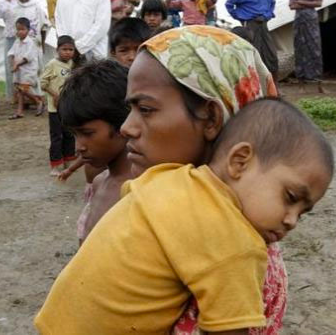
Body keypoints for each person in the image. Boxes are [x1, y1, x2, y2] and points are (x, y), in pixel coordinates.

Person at [36, 96, 334, 334]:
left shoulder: (169, 177)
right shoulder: (236, 243)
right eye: (290, 198)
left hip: (55, 320)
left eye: (302, 213)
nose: (291, 220)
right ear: (240, 161)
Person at [120, 26, 285, 334]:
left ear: (211, 118)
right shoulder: (174, 222)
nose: (126, 128)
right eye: (129, 109)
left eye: (145, 109)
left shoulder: (229, 261)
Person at [56, 60, 133, 245]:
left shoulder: (138, 192)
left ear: (124, 122)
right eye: (74, 134)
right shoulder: (99, 183)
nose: (79, 147)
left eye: (87, 133)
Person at [226, 0, 279, 78]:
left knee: (271, 56)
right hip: (250, 26)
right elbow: (229, 4)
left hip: (264, 24)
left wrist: (267, 16)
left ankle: (274, 88)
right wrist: (241, 17)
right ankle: (255, 88)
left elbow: (272, 4)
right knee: (253, 56)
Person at [40, 35, 77, 174]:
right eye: (64, 49)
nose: (67, 52)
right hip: (54, 108)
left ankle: (68, 161)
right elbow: (43, 83)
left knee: (69, 134)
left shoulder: (72, 64)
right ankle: (55, 165)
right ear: (57, 50)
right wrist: (55, 94)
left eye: (70, 49)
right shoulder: (52, 64)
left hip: (67, 107)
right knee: (57, 136)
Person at [290, 0, 326, 94]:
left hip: (312, 20)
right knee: (300, 49)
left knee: (316, 49)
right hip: (299, 20)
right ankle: (301, 84)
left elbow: (319, 2)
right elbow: (291, 5)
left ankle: (319, 84)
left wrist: (301, 2)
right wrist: (309, 4)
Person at [7, 17, 45, 119]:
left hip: (28, 70)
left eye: (22, 29)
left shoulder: (31, 43)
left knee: (23, 89)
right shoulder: (16, 42)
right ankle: (20, 111)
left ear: (28, 30)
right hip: (19, 71)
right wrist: (13, 63)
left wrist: (17, 65)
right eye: (18, 29)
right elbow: (11, 53)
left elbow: (28, 57)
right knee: (20, 91)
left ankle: (38, 101)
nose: (20, 32)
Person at [0, 0, 19, 102]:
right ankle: (13, 96)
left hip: (21, 36)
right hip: (9, 36)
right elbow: (3, 18)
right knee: (10, 65)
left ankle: (25, 96)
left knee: (23, 66)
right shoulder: (1, 2)